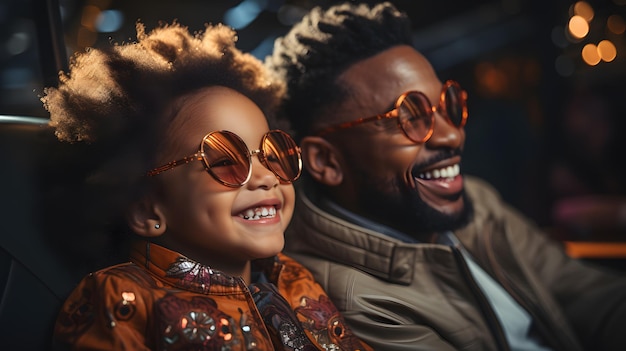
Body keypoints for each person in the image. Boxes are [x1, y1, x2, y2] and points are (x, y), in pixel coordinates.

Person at [265, 2, 626, 350]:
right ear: (327, 161)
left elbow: (587, 295)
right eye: (408, 116)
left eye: (446, 105)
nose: (453, 135)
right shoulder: (348, 300)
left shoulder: (475, 201)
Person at [42, 21, 372, 351]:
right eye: (224, 161)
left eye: (273, 155)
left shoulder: (292, 277)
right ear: (147, 208)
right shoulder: (120, 298)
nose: (266, 177)